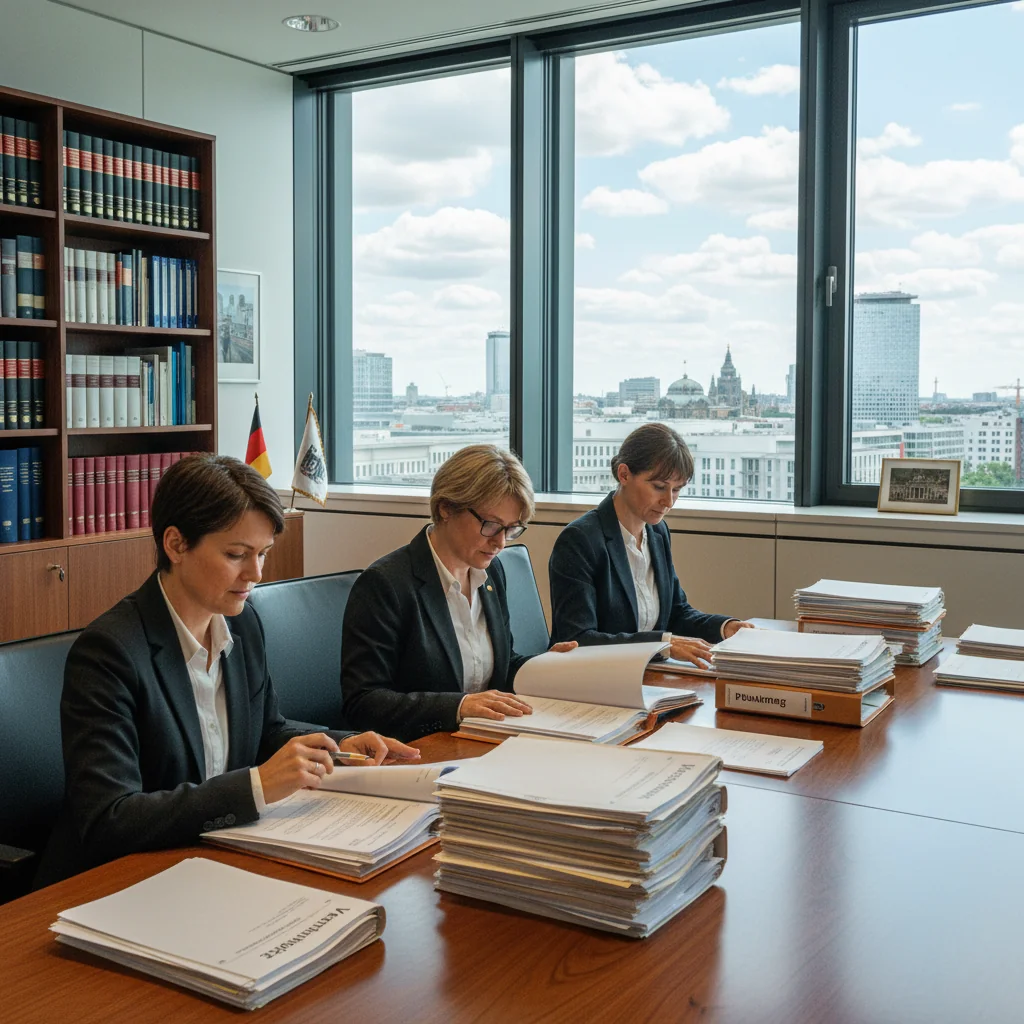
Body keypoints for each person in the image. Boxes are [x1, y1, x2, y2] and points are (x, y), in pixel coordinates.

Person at [35, 454, 418, 887]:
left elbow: (266, 730)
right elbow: (110, 818)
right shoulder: (110, 652)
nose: (255, 574)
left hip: (211, 858)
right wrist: (256, 787)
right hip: (116, 882)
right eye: (237, 554)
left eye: (263, 554)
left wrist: (342, 746)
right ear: (176, 544)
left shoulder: (242, 622)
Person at [341, 444, 575, 741]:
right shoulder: (386, 584)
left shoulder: (492, 573)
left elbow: (498, 667)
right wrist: (459, 706)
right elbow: (363, 703)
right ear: (446, 508)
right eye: (491, 526)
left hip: (482, 740)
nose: (501, 543)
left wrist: (544, 667)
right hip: (419, 751)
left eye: (512, 529)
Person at [549, 423, 754, 667]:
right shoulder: (580, 540)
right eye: (659, 487)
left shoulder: (657, 532)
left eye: (677, 489)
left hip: (646, 676)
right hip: (595, 679)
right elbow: (578, 640)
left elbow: (676, 613)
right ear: (623, 474)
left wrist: (726, 628)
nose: (668, 501)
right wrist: (663, 644)